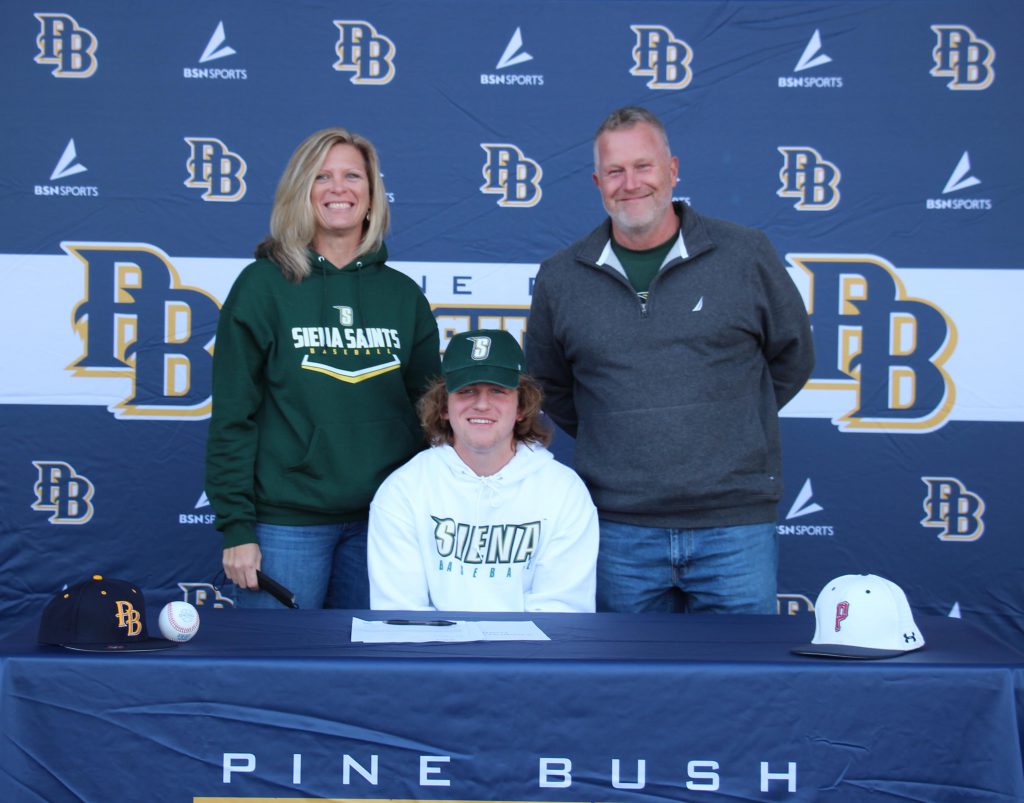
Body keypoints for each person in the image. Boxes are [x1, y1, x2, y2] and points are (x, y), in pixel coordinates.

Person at [525, 106, 815, 615]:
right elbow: (551, 387)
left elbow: (792, 358)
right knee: (627, 691)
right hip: (618, 529)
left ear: (673, 170)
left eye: (644, 166)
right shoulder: (560, 277)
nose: (630, 183)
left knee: (742, 684)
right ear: (597, 181)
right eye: (615, 171)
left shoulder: (745, 254)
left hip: (735, 525)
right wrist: (619, 432)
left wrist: (729, 418)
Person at [205, 128, 441, 610]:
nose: (339, 188)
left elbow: (434, 417)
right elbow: (233, 417)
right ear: (301, 193)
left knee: (370, 677)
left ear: (372, 195)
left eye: (353, 175)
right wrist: (236, 525)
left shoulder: (402, 296)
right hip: (285, 525)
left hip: (386, 520)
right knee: (277, 674)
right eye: (322, 176)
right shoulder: (261, 288)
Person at [367, 329, 598, 612]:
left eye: (498, 391)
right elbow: (401, 613)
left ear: (521, 407)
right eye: (467, 390)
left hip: (529, 655)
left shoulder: (564, 491)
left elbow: (563, 612)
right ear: (444, 407)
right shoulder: (403, 491)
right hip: (434, 654)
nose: (482, 404)